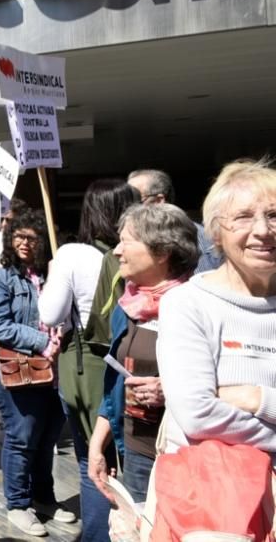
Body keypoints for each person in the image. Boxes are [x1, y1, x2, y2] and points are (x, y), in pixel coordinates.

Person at [38, 178, 138, 542]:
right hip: (134, 362)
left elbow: (49, 314)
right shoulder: (140, 252)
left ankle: (97, 535)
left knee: (93, 464)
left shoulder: (73, 255)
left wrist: (53, 274)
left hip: (87, 367)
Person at [158, 159, 276, 460]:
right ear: (216, 233)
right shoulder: (188, 304)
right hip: (222, 497)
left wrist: (257, 397)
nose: (263, 230)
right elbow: (198, 415)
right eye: (243, 217)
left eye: (274, 215)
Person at [88, 203, 199, 504]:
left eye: (126, 241)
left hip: (186, 456)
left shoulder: (200, 307)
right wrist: (98, 444)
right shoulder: (127, 307)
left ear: (162, 252)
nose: (116, 251)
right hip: (136, 452)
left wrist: (170, 390)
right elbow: (114, 382)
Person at [0, 210, 75, 537]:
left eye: (32, 238)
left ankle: (43, 497)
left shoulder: (52, 275)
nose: (24, 243)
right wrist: (42, 341)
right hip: (17, 369)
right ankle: (18, 505)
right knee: (22, 436)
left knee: (48, 433)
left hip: (52, 368)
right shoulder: (0, 279)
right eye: (19, 237)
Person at [127, 168, 223, 272]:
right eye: (126, 200)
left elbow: (202, 281)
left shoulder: (194, 238)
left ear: (158, 201)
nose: (127, 208)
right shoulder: (132, 237)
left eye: (135, 200)